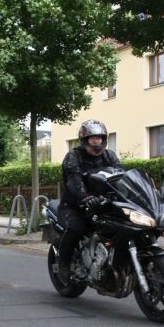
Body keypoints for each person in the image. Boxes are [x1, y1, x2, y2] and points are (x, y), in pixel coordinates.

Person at [58, 119, 123, 280]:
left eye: (99, 138)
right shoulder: (73, 156)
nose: (97, 142)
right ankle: (63, 262)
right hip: (75, 205)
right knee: (75, 228)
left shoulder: (109, 156)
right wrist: (85, 196)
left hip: (102, 204)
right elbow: (74, 179)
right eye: (93, 139)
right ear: (85, 140)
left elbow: (121, 175)